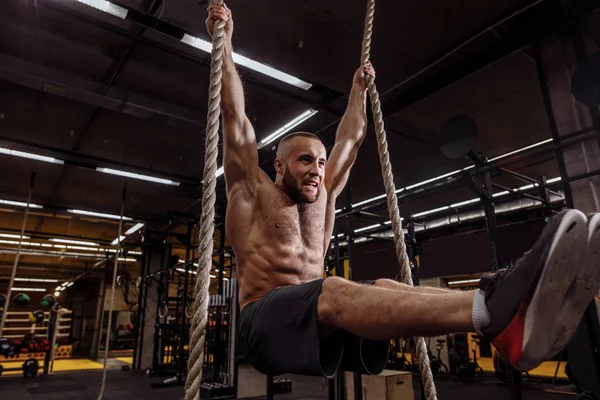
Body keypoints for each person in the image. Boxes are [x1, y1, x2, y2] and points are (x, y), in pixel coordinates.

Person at [205, 4, 600, 378]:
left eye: (321, 162)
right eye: (305, 160)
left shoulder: (323, 194)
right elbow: (235, 118)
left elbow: (351, 137)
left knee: (384, 287)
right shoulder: (252, 190)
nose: (316, 170)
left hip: (314, 320)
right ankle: (496, 305)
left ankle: (495, 309)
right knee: (335, 289)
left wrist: (359, 90)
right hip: (263, 325)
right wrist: (225, 41)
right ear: (278, 165)